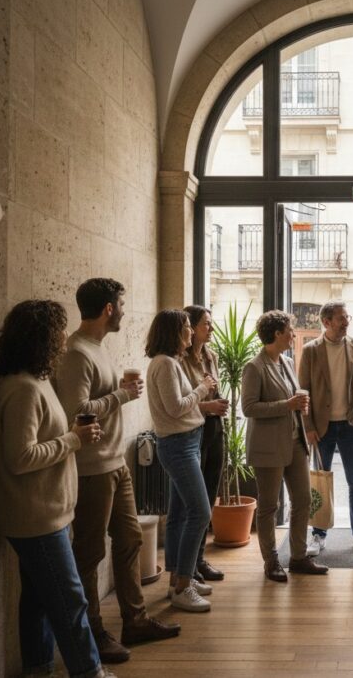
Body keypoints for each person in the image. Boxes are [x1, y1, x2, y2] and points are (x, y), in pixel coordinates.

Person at [56, 279, 180, 663]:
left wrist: (118, 393)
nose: (125, 312)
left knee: (129, 540)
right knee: (90, 553)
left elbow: (97, 401)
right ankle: (94, 633)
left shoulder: (98, 348)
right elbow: (77, 411)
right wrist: (123, 395)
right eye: (121, 305)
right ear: (109, 308)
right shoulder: (76, 352)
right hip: (92, 468)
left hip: (115, 464)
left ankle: (136, 621)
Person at [0, 300, 113, 678]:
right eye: (58, 330)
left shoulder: (36, 381)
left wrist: (71, 435)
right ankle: (89, 671)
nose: (64, 337)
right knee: (70, 598)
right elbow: (20, 456)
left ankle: (37, 668)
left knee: (39, 600)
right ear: (41, 338)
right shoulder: (25, 389)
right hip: (37, 516)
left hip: (43, 512)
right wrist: (73, 440)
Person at [241, 310, 329, 581]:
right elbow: (249, 408)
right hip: (268, 448)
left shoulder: (288, 363)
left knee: (302, 500)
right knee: (269, 507)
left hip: (295, 444)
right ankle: (271, 562)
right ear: (277, 334)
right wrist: (287, 405)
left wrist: (300, 406)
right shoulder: (254, 367)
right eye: (290, 330)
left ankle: (299, 557)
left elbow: (293, 400)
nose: (293, 334)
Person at [145, 309, 214, 612]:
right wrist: (203, 389)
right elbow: (176, 408)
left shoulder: (170, 363)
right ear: (173, 332)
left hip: (186, 443)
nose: (191, 332)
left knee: (183, 512)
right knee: (200, 513)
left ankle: (179, 578)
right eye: (186, 327)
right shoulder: (165, 365)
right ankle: (183, 585)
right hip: (178, 446)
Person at [300, 301, 353, 557]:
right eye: (341, 318)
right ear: (326, 322)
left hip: (351, 425)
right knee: (320, 483)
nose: (346, 322)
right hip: (321, 428)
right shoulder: (311, 351)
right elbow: (303, 392)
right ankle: (318, 536)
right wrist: (308, 427)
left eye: (347, 317)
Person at [181, 305, 231, 581]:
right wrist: (208, 406)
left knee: (209, 494)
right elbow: (179, 405)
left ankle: (199, 559)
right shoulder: (180, 360)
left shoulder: (211, 356)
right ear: (190, 327)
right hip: (193, 431)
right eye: (206, 324)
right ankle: (187, 565)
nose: (211, 328)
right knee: (194, 504)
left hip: (215, 429)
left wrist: (217, 407)